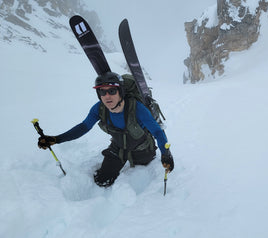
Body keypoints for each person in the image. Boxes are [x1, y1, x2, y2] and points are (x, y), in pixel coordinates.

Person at [37, 72, 174, 187]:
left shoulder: (137, 108)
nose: (107, 96)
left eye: (112, 91)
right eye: (102, 91)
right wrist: (56, 139)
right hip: (118, 148)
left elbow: (157, 131)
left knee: (142, 167)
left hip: (142, 148)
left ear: (120, 91)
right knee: (102, 181)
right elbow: (83, 127)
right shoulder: (99, 108)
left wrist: (166, 154)